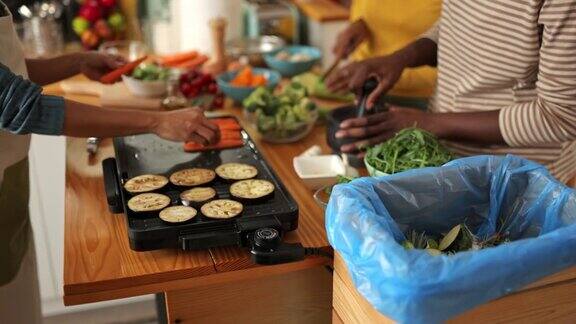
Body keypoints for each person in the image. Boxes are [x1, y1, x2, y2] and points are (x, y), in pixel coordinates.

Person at [0, 2, 218, 323]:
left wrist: (76, 62)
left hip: (9, 186)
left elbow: (11, 72)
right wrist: (157, 122)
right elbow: (21, 105)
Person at [327, 0, 576, 184]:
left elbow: (559, 116)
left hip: (520, 179)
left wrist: (429, 122)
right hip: (450, 160)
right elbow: (455, 24)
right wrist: (402, 58)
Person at [329, 0, 441, 109]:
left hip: (422, 100)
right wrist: (361, 24)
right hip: (365, 86)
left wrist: (399, 59)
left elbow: (444, 34)